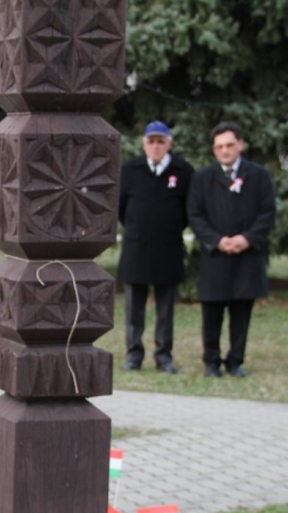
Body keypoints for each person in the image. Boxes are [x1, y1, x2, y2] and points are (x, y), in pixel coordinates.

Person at [186, 121, 277, 378]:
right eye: (219, 147)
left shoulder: (258, 175)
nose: (224, 151)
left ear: (240, 145)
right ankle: (211, 361)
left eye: (229, 145)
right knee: (212, 314)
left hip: (246, 256)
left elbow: (268, 212)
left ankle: (236, 361)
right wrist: (217, 240)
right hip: (215, 257)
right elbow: (194, 214)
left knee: (241, 312)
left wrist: (247, 239)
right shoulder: (202, 178)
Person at [117, 120, 195, 374]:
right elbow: (120, 208)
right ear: (144, 144)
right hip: (136, 248)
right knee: (134, 310)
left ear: (169, 143)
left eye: (161, 141)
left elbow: (188, 210)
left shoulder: (183, 171)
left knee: (165, 310)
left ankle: (164, 356)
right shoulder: (130, 170)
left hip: (168, 249)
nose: (156, 146)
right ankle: (133, 355)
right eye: (151, 141)